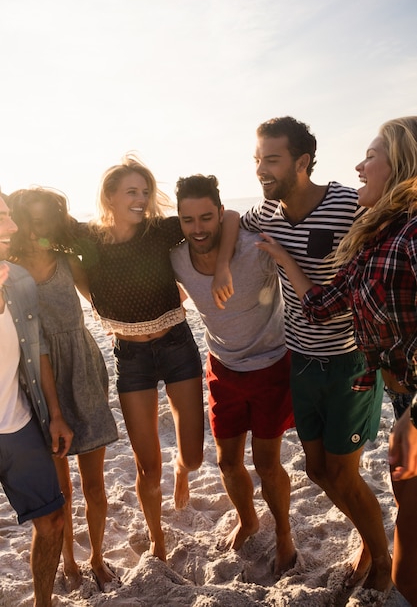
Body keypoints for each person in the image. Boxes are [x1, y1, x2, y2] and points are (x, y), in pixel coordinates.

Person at [256, 117, 417, 605]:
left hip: (363, 375)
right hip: (343, 374)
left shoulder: (406, 231)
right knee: (319, 472)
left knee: (397, 527)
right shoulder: (376, 236)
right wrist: (283, 260)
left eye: (371, 156)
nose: (359, 165)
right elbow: (324, 303)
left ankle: (383, 564)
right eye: (257, 158)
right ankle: (380, 553)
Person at [74, 154, 239, 563]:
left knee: (196, 456)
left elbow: (230, 215)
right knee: (147, 465)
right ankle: (156, 538)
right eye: (132, 191)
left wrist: (221, 269)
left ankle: (181, 470)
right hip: (130, 357)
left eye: (145, 191)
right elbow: (60, 257)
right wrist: (98, 306)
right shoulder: (87, 239)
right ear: (109, 196)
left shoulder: (160, 230)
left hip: (176, 345)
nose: (141, 199)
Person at [170, 174, 295, 575]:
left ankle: (284, 534)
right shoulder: (175, 257)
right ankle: (248, 518)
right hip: (222, 366)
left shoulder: (251, 247)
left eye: (207, 217)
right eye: (188, 220)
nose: (198, 228)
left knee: (267, 463)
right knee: (226, 462)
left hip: (272, 364)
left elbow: (242, 217)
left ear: (220, 213)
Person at [8, 187, 119, 592]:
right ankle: (69, 559)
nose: (39, 227)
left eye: (45, 220)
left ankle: (97, 556)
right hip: (39, 377)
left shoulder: (69, 262)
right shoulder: (10, 269)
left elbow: (103, 302)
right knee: (61, 488)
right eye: (32, 220)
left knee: (94, 483)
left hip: (83, 370)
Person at [0, 193, 73, 607]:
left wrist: (56, 414)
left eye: (9, 217)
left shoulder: (20, 281)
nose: (11, 228)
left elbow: (37, 345)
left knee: (52, 521)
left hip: (20, 426)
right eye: (1, 219)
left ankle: (42, 603)